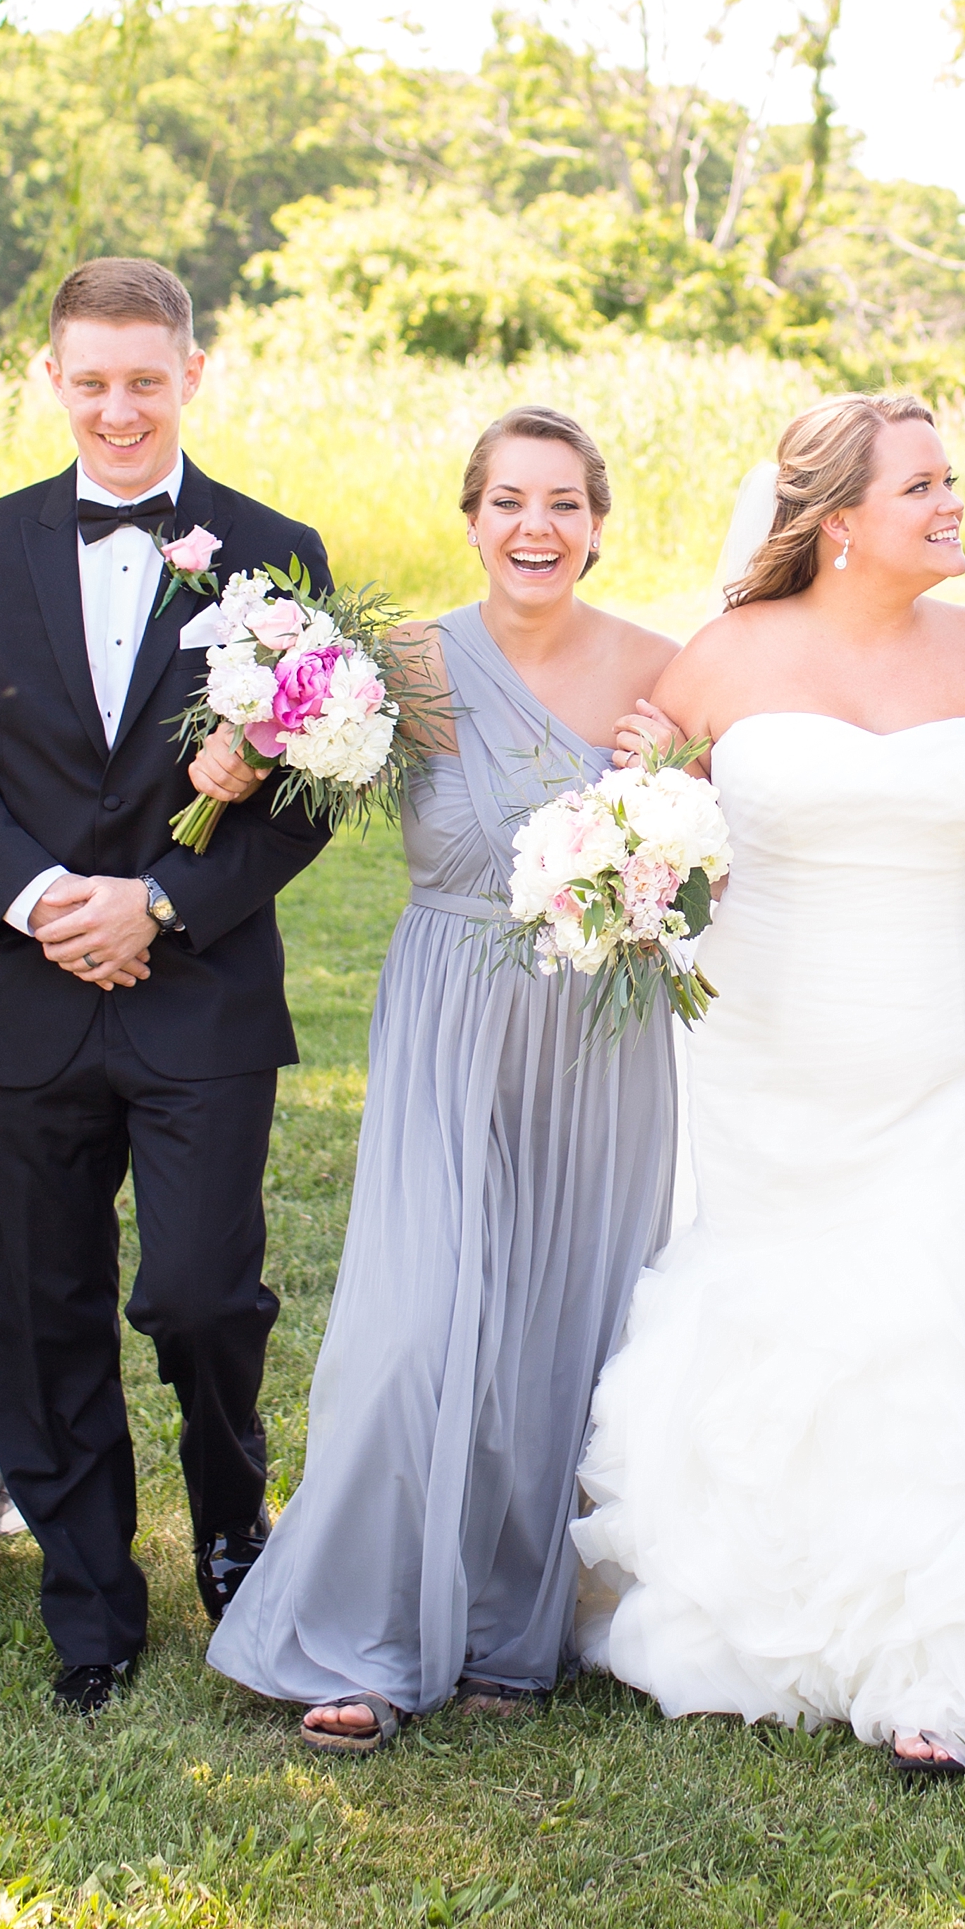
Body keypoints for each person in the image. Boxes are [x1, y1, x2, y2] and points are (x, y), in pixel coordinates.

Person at [574, 392, 965, 1780]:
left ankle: (949, 1640)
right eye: (923, 486)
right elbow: (639, 828)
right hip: (765, 1035)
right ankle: (769, 1592)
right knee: (783, 1289)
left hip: (942, 1035)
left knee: (932, 1294)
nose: (951, 502)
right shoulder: (723, 656)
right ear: (839, 519)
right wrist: (634, 804)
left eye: (949, 479)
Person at [205, 408, 680, 1751]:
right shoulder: (399, 666)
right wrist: (227, 755)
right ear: (470, 519)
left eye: (565, 504)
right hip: (445, 1017)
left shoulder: (666, 669)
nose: (537, 527)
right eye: (510, 502)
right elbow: (265, 784)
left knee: (560, 1323)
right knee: (410, 1326)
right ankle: (359, 1632)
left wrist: (674, 777)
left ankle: (509, 1629)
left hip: (598, 1033)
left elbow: (723, 846)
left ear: (598, 522)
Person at [0, 256, 334, 1715]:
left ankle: (232, 1526)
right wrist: (43, 901)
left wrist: (168, 903)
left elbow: (315, 783)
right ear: (51, 379)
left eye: (147, 379)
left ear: (193, 373)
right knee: (39, 1302)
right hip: (25, 989)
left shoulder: (273, 550)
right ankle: (91, 1600)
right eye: (92, 380)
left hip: (198, 997)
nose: (119, 407)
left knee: (199, 1296)